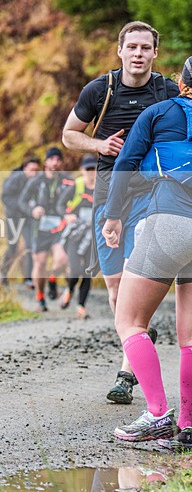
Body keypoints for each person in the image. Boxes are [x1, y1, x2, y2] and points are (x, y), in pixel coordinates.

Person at [62, 21, 178, 404]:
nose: (139, 54)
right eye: (133, 47)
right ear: (120, 50)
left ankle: (126, 373)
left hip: (152, 196)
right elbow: (68, 135)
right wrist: (99, 144)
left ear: (155, 53)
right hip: (108, 194)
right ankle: (138, 335)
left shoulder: (167, 90)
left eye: (146, 47)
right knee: (114, 288)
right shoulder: (100, 90)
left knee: (133, 276)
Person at [102, 55, 192, 451]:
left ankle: (157, 415)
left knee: (129, 319)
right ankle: (189, 425)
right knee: (190, 334)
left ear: (180, 82)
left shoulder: (159, 111)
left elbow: (124, 164)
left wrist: (113, 217)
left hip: (168, 219)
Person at [18, 147, 73, 312]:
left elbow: (77, 199)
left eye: (58, 159)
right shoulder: (36, 181)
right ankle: (40, 298)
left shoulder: (67, 181)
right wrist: (33, 210)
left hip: (59, 226)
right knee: (40, 263)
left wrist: (70, 213)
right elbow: (22, 201)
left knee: (62, 259)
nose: (55, 162)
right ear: (46, 162)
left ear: (61, 162)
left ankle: (52, 278)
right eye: (51, 159)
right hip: (40, 228)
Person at [56, 154, 97, 319]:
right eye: (88, 169)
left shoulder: (104, 187)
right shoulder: (76, 185)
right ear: (82, 170)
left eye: (94, 169)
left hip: (93, 235)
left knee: (88, 271)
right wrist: (67, 216)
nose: (92, 172)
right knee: (75, 270)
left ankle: (81, 306)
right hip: (75, 234)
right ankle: (69, 289)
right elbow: (60, 204)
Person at [0, 157, 41, 287]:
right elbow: (5, 197)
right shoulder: (16, 179)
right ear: (24, 169)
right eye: (31, 170)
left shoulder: (36, 182)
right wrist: (20, 207)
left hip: (28, 218)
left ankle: (28, 278)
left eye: (36, 170)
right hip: (14, 217)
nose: (34, 173)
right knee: (13, 246)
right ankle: (3, 273)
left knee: (30, 246)